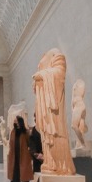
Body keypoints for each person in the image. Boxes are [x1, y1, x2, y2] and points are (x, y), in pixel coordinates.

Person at [32, 47, 75, 175]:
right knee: (47, 135)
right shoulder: (46, 56)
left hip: (53, 107)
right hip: (45, 105)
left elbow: (60, 73)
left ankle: (61, 166)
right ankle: (50, 163)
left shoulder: (56, 54)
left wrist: (42, 75)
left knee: (55, 132)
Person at [7, 115, 33, 182]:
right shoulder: (13, 132)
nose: (15, 122)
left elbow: (30, 143)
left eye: (16, 121)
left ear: (20, 122)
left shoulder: (25, 132)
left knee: (25, 177)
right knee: (16, 176)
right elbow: (10, 143)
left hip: (24, 157)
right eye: (14, 121)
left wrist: (30, 153)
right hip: (15, 158)